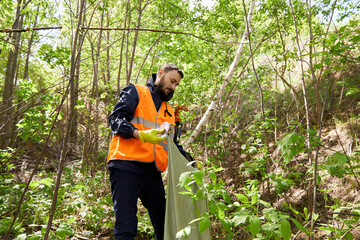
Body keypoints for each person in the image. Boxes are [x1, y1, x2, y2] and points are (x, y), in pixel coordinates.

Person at [107, 63, 192, 240]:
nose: (173, 87)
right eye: (172, 81)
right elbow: (115, 120)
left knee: (165, 224)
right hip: (125, 166)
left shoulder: (169, 111)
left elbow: (174, 145)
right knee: (126, 226)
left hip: (152, 173)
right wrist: (140, 134)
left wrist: (191, 163)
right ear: (160, 73)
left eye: (176, 85)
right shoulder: (135, 91)